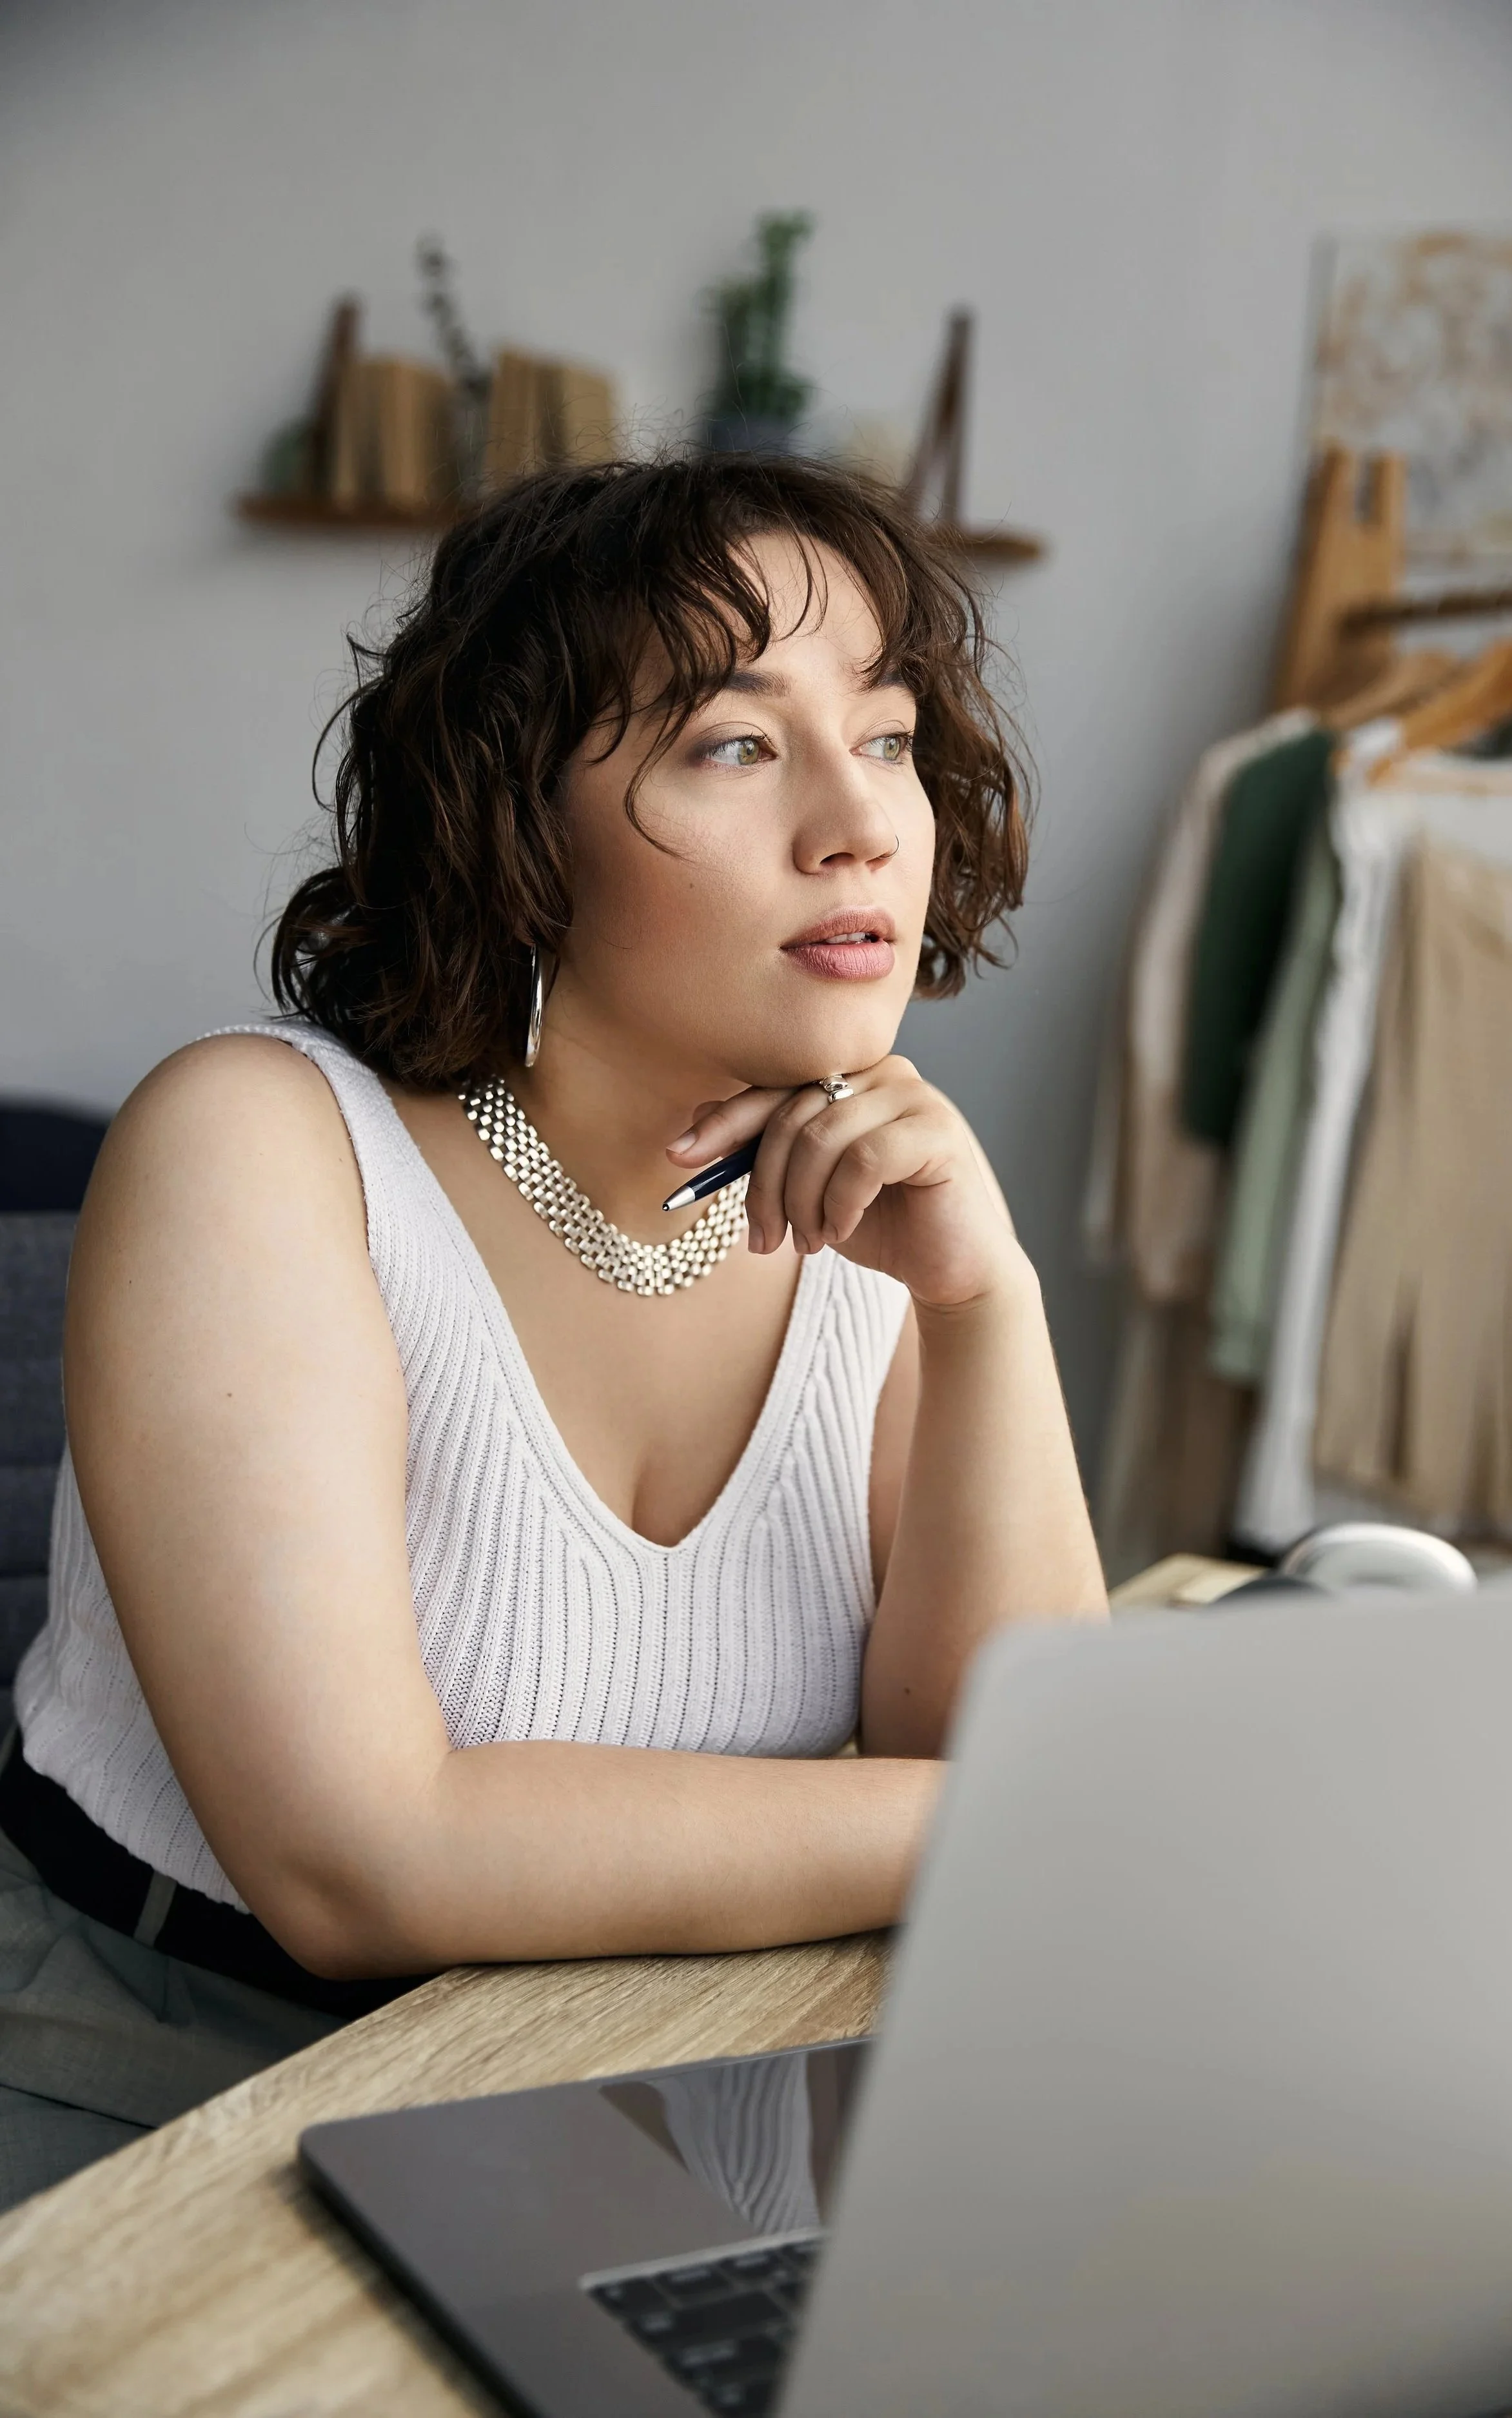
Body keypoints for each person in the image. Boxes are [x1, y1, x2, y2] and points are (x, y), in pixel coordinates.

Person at [0, 455, 1105, 2209]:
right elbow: (360, 1858)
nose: (863, 822)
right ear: (515, 824)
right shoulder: (254, 1143)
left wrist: (985, 1305)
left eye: (886, 734)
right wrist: (1023, 1823)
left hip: (637, 2087)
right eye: (735, 744)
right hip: (153, 2078)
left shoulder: (873, 1201)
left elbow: (1017, 1744)